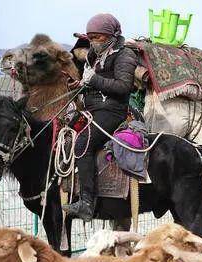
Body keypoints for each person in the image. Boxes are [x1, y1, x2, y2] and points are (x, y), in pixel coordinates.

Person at [63, 13, 137, 221]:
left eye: (99, 37)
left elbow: (124, 87)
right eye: (91, 37)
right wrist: (80, 86)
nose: (94, 42)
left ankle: (87, 203)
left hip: (112, 111)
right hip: (92, 109)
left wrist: (93, 80)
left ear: (112, 36)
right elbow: (94, 83)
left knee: (83, 145)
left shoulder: (125, 55)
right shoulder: (95, 56)